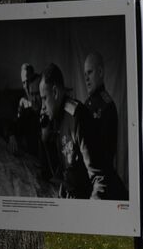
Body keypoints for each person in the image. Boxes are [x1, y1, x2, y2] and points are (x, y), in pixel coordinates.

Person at [39, 63, 107, 199]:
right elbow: (58, 170)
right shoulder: (55, 119)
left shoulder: (77, 117)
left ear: (55, 92)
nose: (42, 107)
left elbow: (99, 177)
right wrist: (45, 136)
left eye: (44, 99)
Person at [82, 52, 128, 200]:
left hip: (102, 179)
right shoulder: (86, 104)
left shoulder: (108, 107)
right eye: (84, 74)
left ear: (100, 72)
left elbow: (105, 156)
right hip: (88, 175)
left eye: (90, 72)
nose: (86, 78)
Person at [7, 63, 42, 155]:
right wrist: (12, 135)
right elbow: (14, 124)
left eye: (28, 81)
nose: (25, 86)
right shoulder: (24, 106)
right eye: (23, 82)